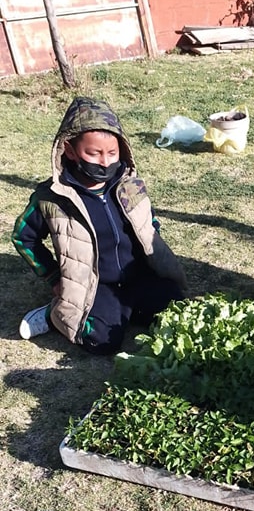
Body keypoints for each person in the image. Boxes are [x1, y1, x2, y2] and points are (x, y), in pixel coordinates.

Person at [12, 97, 187, 355]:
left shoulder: (130, 184)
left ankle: (127, 309)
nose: (105, 162)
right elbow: (23, 238)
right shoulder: (51, 198)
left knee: (178, 314)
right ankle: (54, 313)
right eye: (93, 153)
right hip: (95, 285)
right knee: (101, 342)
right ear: (69, 150)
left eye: (112, 153)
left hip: (137, 275)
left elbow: (148, 220)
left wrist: (153, 248)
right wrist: (53, 276)